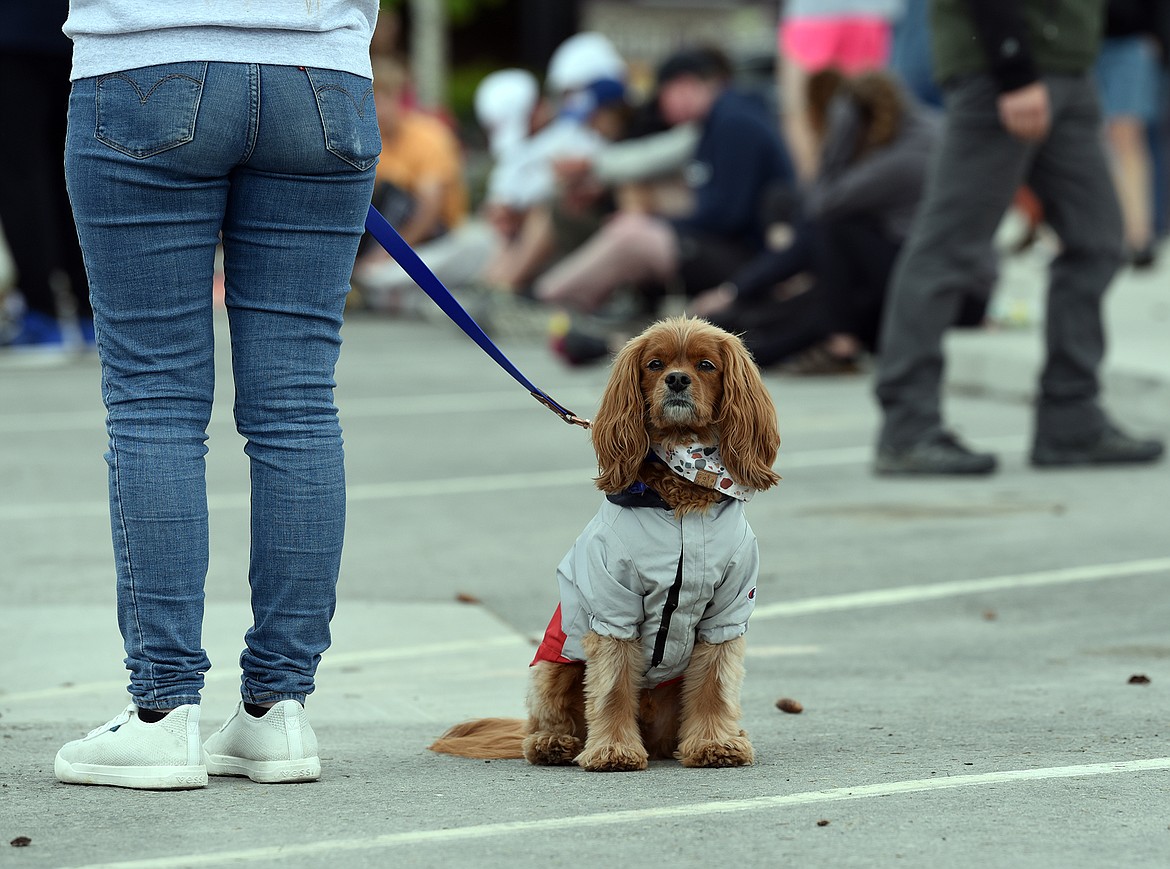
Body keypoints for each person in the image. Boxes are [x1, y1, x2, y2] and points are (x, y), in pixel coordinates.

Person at [53, 1, 382, 789]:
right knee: (298, 405)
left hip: (145, 62)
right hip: (323, 77)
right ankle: (278, 712)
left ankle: (163, 714)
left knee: (153, 399)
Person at [873, 0, 1165, 476]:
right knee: (948, 248)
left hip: (1070, 66)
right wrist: (1012, 67)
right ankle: (908, 426)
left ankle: (1072, 418)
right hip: (1003, 71)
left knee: (1097, 240)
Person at [535, 47, 795, 320]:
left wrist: (658, 223)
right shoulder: (722, 118)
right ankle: (564, 300)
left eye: (663, 95)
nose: (660, 107)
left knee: (632, 234)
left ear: (684, 85)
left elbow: (727, 215)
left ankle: (550, 300)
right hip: (740, 250)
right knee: (633, 227)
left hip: (753, 260)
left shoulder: (734, 121)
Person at [0, 0, 92, 348]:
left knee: (20, 178)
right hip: (80, 32)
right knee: (74, 173)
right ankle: (89, 313)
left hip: (13, 35)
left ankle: (41, 314)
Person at [1095, 0, 1170, 268]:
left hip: (1129, 41)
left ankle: (1138, 236)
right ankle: (1103, 232)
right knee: (1092, 141)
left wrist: (1159, 39)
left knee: (1126, 137)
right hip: (1086, 44)